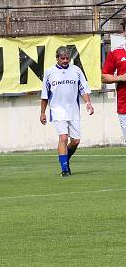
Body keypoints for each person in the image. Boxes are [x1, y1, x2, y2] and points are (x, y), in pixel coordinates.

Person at [39, 46, 94, 177]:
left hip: (73, 110)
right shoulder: (50, 72)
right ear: (57, 58)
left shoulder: (76, 70)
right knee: (63, 137)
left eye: (67, 58)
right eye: (62, 58)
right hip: (57, 110)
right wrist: (42, 112)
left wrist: (88, 103)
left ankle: (64, 159)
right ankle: (65, 168)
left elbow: (83, 89)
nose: (65, 60)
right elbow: (45, 95)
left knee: (75, 141)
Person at [102, 18, 126, 141]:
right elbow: (104, 76)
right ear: (124, 32)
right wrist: (120, 78)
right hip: (124, 105)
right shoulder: (116, 53)